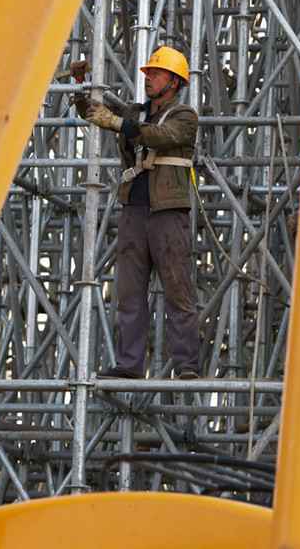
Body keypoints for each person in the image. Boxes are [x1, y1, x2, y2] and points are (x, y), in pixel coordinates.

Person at [73, 46, 200, 379]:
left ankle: (187, 365)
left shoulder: (184, 116)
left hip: (168, 213)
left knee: (178, 289)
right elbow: (107, 116)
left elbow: (162, 137)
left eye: (156, 74)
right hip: (134, 211)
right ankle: (130, 365)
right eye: (148, 74)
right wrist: (83, 95)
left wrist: (116, 122)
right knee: (129, 293)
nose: (149, 79)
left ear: (174, 82)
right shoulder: (135, 112)